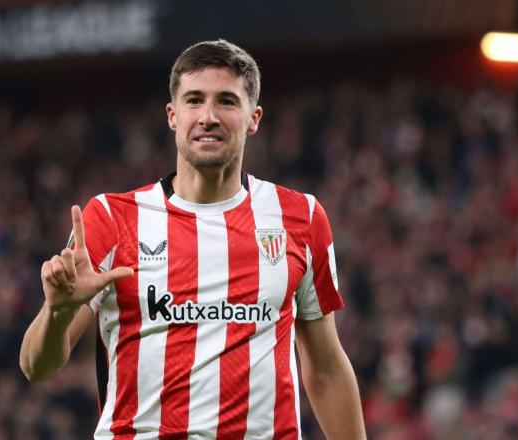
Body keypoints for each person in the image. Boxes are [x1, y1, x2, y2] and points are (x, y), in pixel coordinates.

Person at [20, 39, 366, 439]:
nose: (208, 116)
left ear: (254, 118)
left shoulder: (300, 218)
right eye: (194, 100)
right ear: (172, 115)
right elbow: (36, 367)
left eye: (227, 102)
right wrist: (58, 312)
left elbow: (325, 368)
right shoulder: (111, 219)